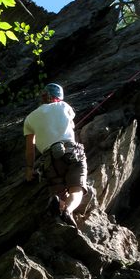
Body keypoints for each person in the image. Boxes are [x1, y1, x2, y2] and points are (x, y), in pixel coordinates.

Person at [23, 82, 87, 227]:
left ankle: (57, 203)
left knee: (59, 193)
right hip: (71, 152)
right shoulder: (65, 106)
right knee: (77, 190)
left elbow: (30, 148)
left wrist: (29, 168)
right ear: (59, 97)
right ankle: (68, 211)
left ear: (43, 97)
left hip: (49, 160)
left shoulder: (30, 118)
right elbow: (71, 125)